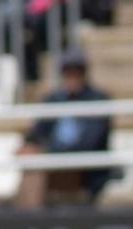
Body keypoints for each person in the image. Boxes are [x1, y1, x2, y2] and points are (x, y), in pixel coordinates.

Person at [16, 51, 115, 209]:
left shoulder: (97, 99)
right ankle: (26, 219)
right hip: (54, 164)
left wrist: (51, 154)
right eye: (68, 71)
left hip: (84, 168)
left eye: (77, 71)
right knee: (31, 167)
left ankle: (29, 221)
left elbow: (91, 142)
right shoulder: (53, 99)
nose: (72, 76)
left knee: (38, 171)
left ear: (84, 73)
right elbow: (36, 132)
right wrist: (30, 145)